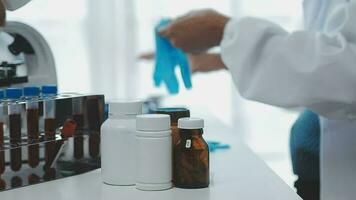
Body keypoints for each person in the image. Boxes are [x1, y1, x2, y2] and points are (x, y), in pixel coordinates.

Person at [158, 1, 356, 200]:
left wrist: (222, 31)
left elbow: (345, 73)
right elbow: (316, 75)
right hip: (319, 174)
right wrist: (223, 58)